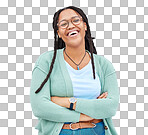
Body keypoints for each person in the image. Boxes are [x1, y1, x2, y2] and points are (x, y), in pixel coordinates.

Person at [30, 6, 119, 135]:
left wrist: (67, 102)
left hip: (97, 131)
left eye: (75, 20)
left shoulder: (104, 65)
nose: (70, 26)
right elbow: (40, 107)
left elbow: (110, 107)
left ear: (85, 25)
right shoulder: (46, 61)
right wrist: (83, 116)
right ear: (58, 33)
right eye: (63, 24)